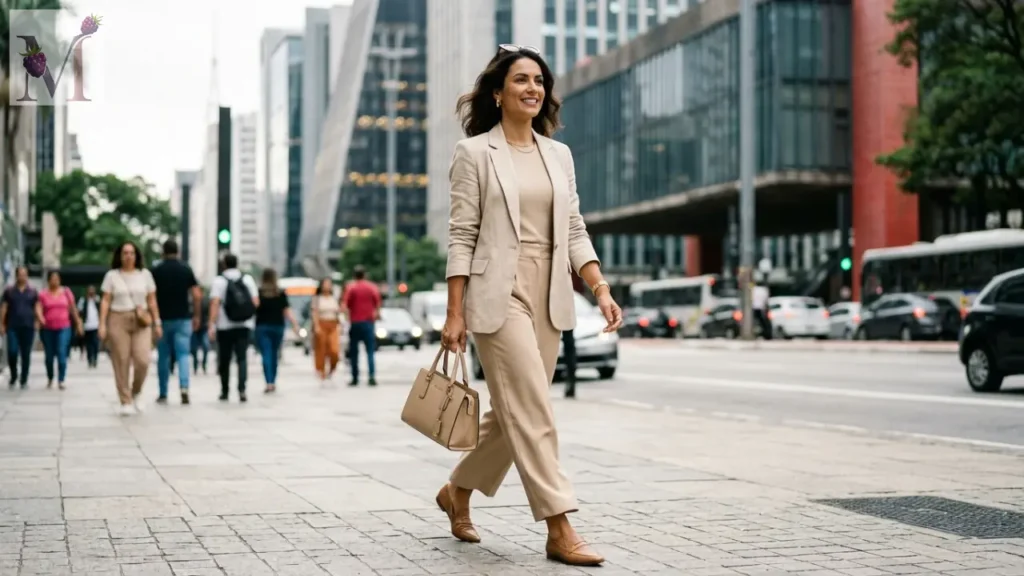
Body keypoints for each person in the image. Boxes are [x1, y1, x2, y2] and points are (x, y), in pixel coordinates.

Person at [437, 44, 623, 567]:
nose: (532, 88)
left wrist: (600, 287)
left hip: (550, 291)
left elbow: (574, 228)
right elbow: (462, 235)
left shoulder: (558, 155)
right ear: (498, 93)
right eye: (521, 80)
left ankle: (456, 491)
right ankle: (559, 526)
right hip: (497, 293)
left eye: (539, 81)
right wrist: (454, 312)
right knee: (534, 410)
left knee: (514, 411)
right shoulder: (474, 152)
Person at [99, 241, 162, 416]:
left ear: (136, 256)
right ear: (120, 256)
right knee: (121, 360)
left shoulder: (145, 275)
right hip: (118, 318)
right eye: (125, 253)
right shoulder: (112, 276)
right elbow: (105, 300)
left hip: (141, 319)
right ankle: (125, 400)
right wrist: (102, 324)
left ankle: (136, 391)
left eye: (131, 253)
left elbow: (152, 300)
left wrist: (157, 322)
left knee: (143, 360)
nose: (128, 256)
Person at [151, 239, 202, 405]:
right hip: (183, 318)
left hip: (162, 319)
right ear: (178, 251)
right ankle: (184, 388)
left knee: (163, 356)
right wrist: (197, 316)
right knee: (183, 355)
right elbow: (196, 295)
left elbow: (150, 296)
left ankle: (163, 392)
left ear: (163, 252)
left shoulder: (157, 270)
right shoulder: (185, 269)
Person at [208, 253, 259, 403]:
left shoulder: (219, 281)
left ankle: (225, 390)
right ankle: (242, 390)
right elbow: (255, 302)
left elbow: (215, 303)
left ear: (223, 264)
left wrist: (211, 324)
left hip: (224, 326)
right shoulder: (247, 279)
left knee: (225, 358)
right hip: (244, 325)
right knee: (242, 358)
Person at [255, 268, 301, 393]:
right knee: (274, 354)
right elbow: (286, 310)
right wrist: (295, 324)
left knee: (266, 354)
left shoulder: (259, 293)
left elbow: (254, 308)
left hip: (262, 327)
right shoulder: (280, 293)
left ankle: (268, 381)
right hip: (277, 327)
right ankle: (273, 381)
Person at [36, 271, 84, 390]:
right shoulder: (43, 294)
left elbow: (73, 308)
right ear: (48, 281)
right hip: (47, 328)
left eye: (57, 279)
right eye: (52, 279)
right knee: (49, 356)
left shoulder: (66, 292)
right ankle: (50, 377)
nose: (55, 281)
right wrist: (40, 317)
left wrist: (78, 323)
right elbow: (38, 307)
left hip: (64, 327)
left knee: (62, 352)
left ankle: (61, 379)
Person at [343, 266, 381, 386]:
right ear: (365, 275)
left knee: (354, 352)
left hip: (355, 323)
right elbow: (377, 304)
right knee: (370, 351)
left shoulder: (351, 288)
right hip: (368, 323)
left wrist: (347, 318)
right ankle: (371, 376)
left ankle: (355, 378)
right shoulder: (372, 287)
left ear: (354, 275)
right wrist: (376, 315)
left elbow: (345, 305)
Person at [1, 266, 39, 388]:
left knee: (25, 353)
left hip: (28, 326)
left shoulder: (32, 291)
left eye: (25, 274)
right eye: (20, 274)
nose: (23, 277)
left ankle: (24, 378)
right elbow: (4, 308)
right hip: (12, 326)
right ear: (16, 276)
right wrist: (1, 324)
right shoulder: (9, 291)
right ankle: (13, 375)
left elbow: (37, 307)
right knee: (12, 351)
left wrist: (38, 320)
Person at [312, 277, 342, 382]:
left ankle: (332, 367)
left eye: (329, 284)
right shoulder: (317, 298)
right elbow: (315, 313)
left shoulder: (334, 298)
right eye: (325, 284)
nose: (327, 286)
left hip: (333, 324)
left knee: (334, 350)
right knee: (321, 349)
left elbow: (339, 312)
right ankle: (321, 370)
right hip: (322, 323)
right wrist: (316, 326)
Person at [562, 272, 585, 398]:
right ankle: (570, 381)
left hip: (565, 309)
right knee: (569, 347)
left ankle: (571, 381)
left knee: (569, 347)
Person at [78, 285, 101, 368]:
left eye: (92, 291)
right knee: (88, 344)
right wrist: (80, 324)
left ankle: (95, 358)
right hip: (87, 325)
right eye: (90, 291)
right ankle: (89, 359)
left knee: (96, 343)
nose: (91, 292)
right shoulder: (83, 300)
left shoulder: (97, 299)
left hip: (96, 325)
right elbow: (79, 313)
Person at [192, 290, 211, 374]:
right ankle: (195, 365)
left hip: (203, 328)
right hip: (193, 329)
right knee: (193, 348)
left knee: (206, 347)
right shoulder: (191, 302)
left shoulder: (205, 302)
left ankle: (204, 364)